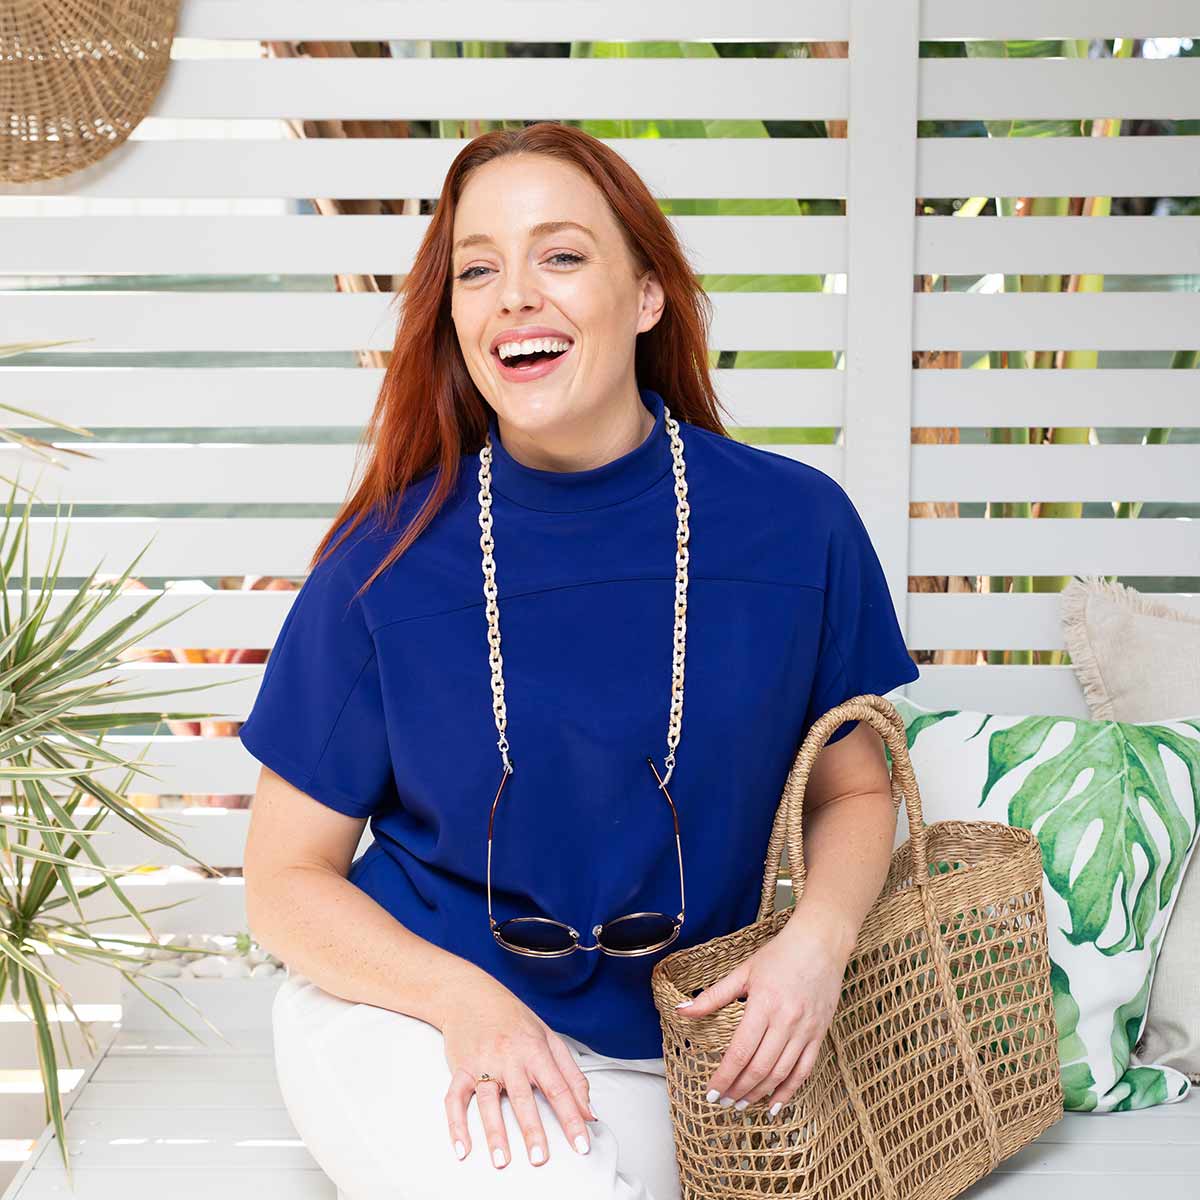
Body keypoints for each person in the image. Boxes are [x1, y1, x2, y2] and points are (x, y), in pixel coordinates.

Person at [239, 122, 920, 1200]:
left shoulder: (797, 528)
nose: (514, 294)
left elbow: (855, 784)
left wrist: (818, 945)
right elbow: (283, 882)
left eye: (559, 255)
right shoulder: (384, 561)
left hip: (686, 1052)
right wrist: (469, 1004)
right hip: (415, 1023)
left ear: (648, 297)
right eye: (478, 268)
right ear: (456, 317)